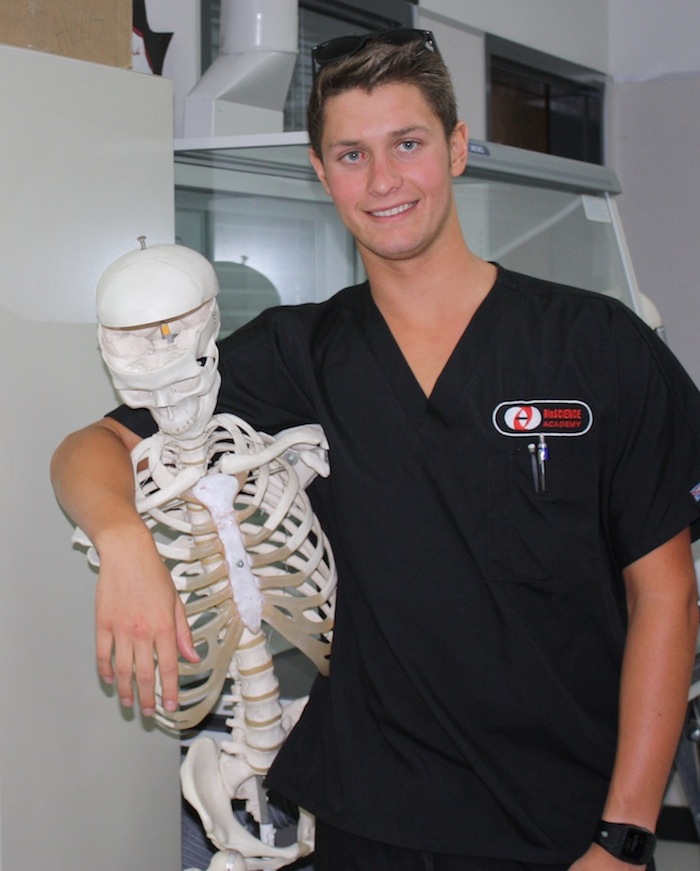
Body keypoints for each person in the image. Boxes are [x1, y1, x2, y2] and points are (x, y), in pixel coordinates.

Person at [51, 29, 700, 871]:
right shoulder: (302, 352)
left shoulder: (597, 344)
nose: (384, 180)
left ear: (457, 148)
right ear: (321, 173)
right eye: (351, 153)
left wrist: (623, 835)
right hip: (371, 824)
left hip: (567, 826)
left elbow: (667, 599)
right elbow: (89, 446)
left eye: (408, 144)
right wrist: (122, 537)